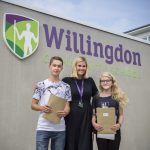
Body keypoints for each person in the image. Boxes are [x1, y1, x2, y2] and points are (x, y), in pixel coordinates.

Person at [31, 56, 71, 150]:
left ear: (62, 68)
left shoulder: (66, 87)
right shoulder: (40, 85)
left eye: (59, 66)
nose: (56, 68)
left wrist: (65, 112)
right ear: (49, 66)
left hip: (60, 129)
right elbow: (33, 105)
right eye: (54, 65)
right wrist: (42, 108)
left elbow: (67, 106)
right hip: (43, 128)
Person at [62, 56, 98, 150]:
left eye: (84, 66)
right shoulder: (66, 80)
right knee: (70, 139)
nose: (82, 68)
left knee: (85, 140)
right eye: (79, 65)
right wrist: (41, 87)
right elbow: (56, 90)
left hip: (86, 115)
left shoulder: (90, 81)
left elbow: (97, 97)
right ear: (75, 66)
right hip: (71, 114)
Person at [92, 72, 128, 150]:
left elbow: (121, 114)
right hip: (101, 131)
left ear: (112, 82)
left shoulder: (118, 96)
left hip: (114, 131)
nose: (105, 82)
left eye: (108, 80)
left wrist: (119, 124)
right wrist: (94, 124)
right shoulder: (96, 97)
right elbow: (94, 115)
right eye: (103, 81)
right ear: (100, 83)